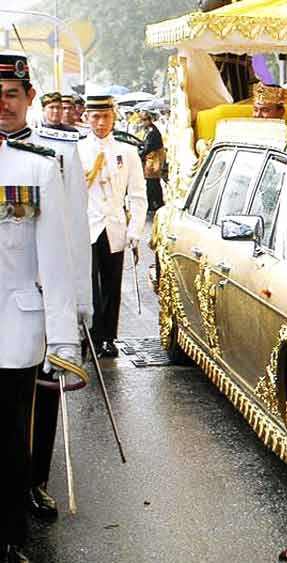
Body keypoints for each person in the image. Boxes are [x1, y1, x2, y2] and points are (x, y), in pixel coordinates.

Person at [0, 54, 93, 524]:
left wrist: (76, 310)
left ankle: (30, 486)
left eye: (11, 94)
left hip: (24, 316)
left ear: (29, 98)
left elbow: (69, 241)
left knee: (28, 416)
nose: (2, 105)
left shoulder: (50, 157)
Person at [77, 87, 148, 358]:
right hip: (85, 225)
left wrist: (135, 230)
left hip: (114, 226)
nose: (101, 123)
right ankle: (89, 335)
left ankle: (108, 337)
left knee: (111, 284)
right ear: (86, 117)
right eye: (95, 117)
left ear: (114, 117)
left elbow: (139, 196)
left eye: (106, 116)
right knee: (87, 284)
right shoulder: (77, 150)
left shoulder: (127, 152)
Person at [139, 111, 165, 214]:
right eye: (142, 120)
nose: (143, 122)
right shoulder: (150, 130)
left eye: (145, 120)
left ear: (150, 120)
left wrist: (140, 154)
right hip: (152, 159)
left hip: (154, 160)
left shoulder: (153, 132)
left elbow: (148, 147)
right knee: (153, 183)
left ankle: (154, 204)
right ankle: (154, 203)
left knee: (152, 183)